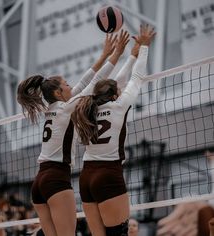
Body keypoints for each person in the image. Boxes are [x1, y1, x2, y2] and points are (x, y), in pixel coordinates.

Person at [17, 31, 130, 236]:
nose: (72, 85)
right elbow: (94, 81)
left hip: (39, 182)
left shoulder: (52, 109)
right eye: (67, 84)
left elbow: (84, 81)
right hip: (56, 179)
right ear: (59, 93)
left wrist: (104, 55)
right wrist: (116, 55)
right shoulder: (65, 109)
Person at [72, 25, 155, 236]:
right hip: (108, 175)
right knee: (118, 234)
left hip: (86, 177)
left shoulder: (88, 107)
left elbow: (116, 83)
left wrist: (131, 56)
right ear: (115, 95)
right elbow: (136, 78)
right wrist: (143, 48)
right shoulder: (119, 105)